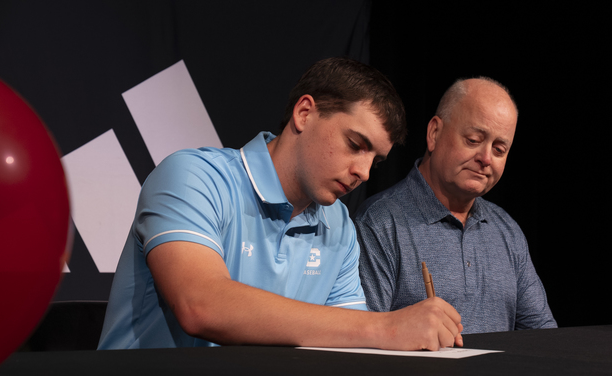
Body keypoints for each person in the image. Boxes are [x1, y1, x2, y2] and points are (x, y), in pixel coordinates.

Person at [99, 57, 462, 350]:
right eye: (355, 144)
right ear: (304, 113)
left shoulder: (340, 226)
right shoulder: (192, 176)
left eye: (376, 161)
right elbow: (201, 306)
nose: (364, 172)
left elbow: (347, 345)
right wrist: (388, 327)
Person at [354, 77, 556, 333]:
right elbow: (365, 340)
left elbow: (543, 336)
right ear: (434, 134)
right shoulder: (379, 224)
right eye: (473, 139)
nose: (485, 158)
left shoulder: (507, 230)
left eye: (499, 149)